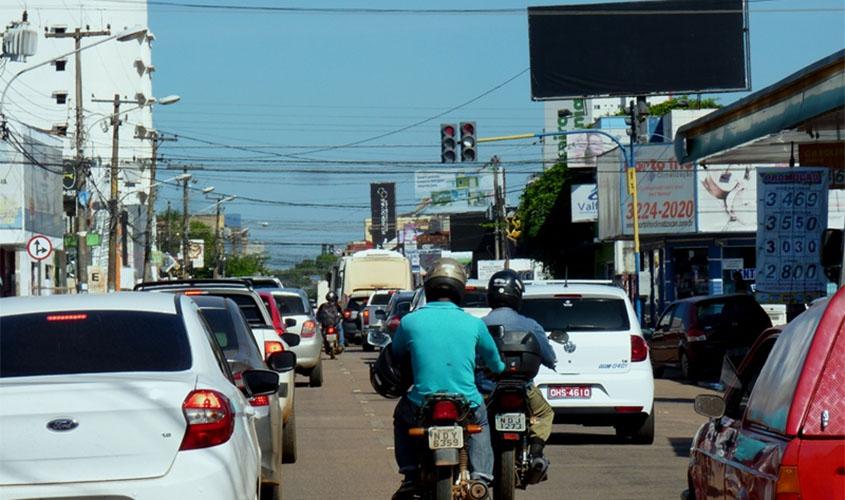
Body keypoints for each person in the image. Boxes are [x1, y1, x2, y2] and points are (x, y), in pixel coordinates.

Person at [391, 258, 505, 499]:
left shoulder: (410, 321)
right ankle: (481, 478)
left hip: (420, 402)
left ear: (429, 289)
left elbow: (395, 354)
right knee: (482, 424)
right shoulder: (474, 324)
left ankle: (410, 475)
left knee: (401, 418)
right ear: (459, 291)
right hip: (467, 404)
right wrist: (498, 369)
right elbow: (495, 363)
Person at [480, 269, 556, 480]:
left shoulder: (479, 325)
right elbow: (549, 357)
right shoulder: (531, 325)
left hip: (486, 390)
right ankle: (536, 454)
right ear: (517, 296)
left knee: (475, 423)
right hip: (524, 389)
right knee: (544, 413)